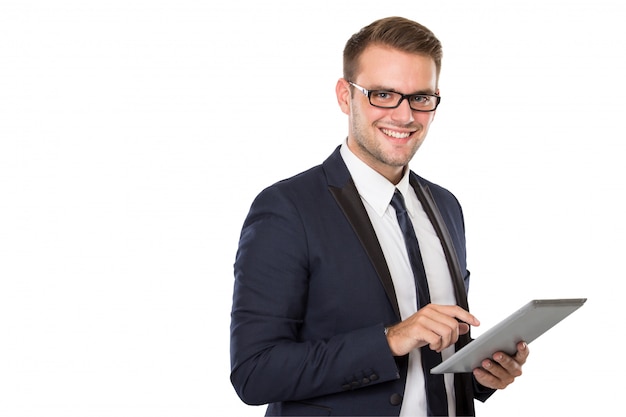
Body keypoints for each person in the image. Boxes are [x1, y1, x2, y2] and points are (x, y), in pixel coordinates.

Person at [230, 16, 529, 417]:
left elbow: (435, 361)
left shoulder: (446, 206)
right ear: (344, 95)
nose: (405, 116)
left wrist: (480, 375)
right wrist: (390, 340)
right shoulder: (287, 209)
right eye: (383, 95)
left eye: (420, 98)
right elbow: (254, 373)